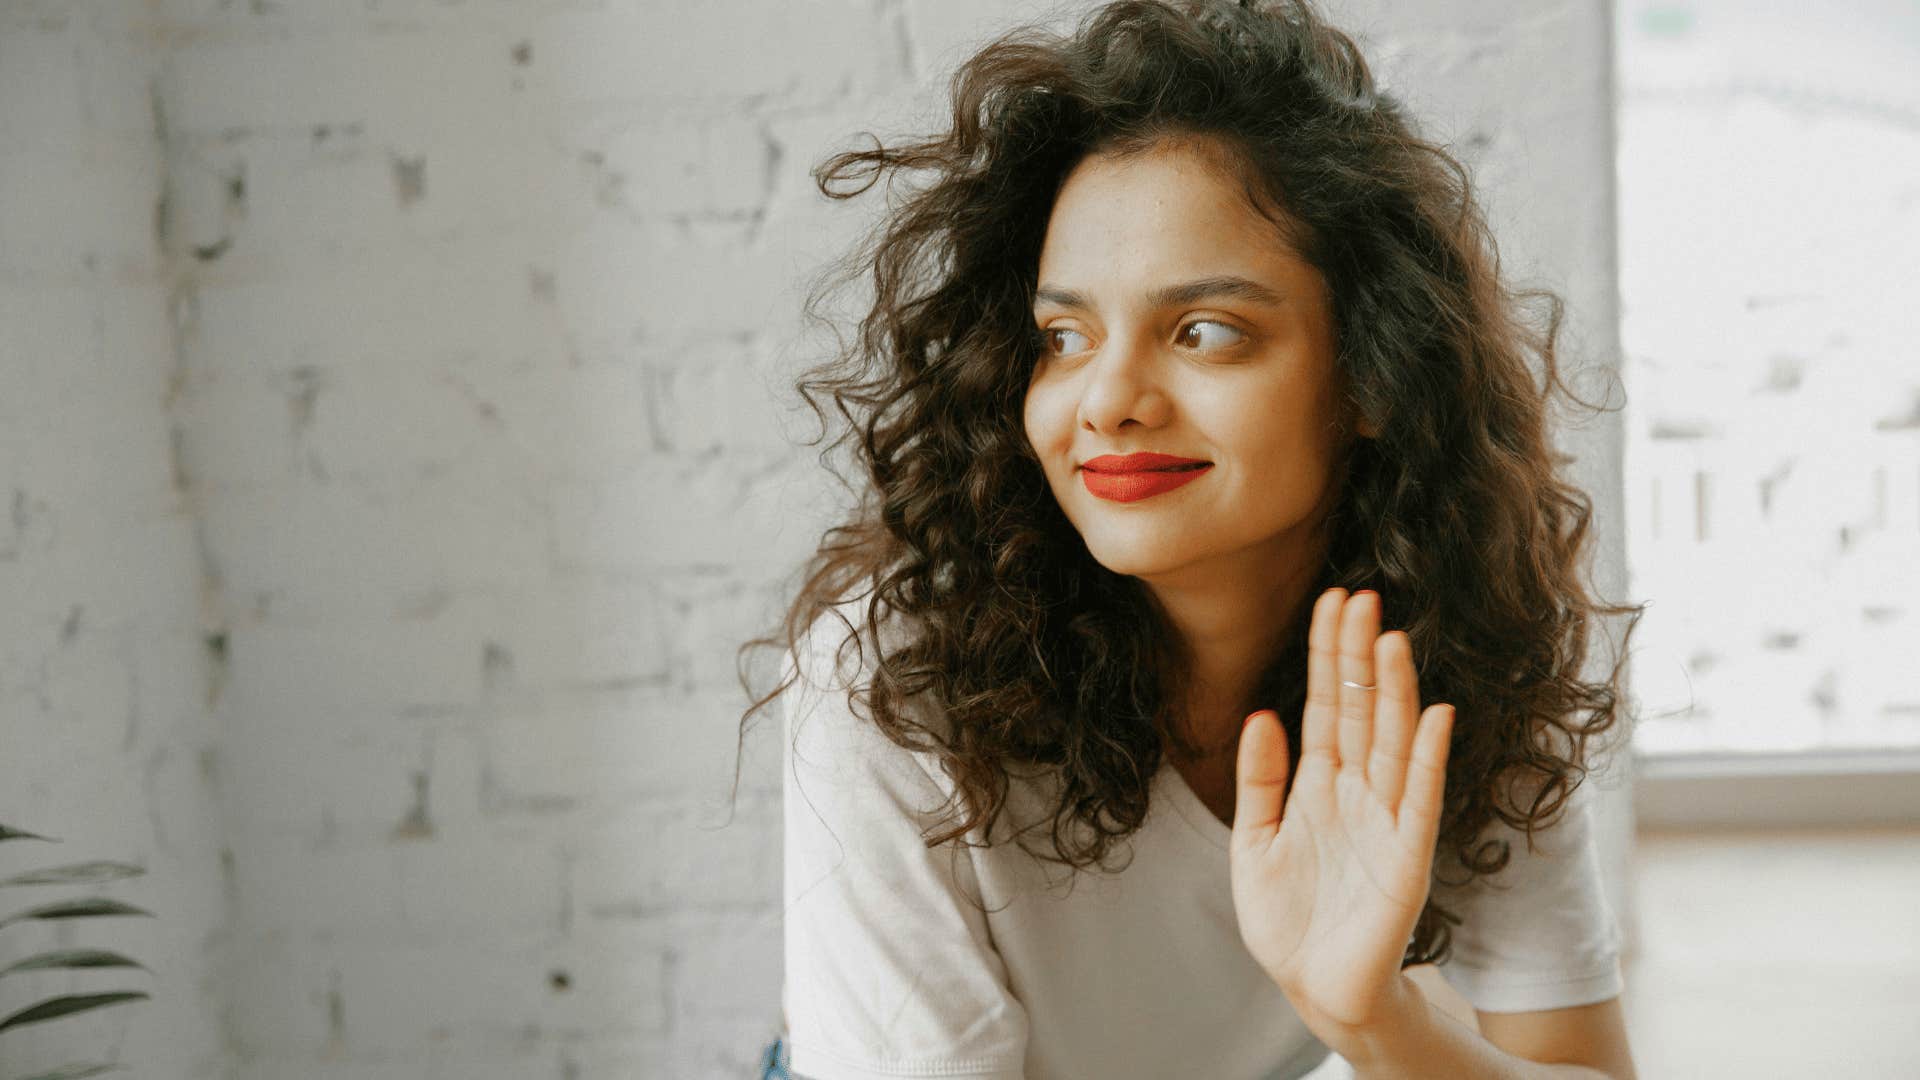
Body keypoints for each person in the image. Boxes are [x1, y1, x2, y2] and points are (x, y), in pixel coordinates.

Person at [735, 1, 1648, 1076]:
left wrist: (1373, 1019)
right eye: (1063, 336)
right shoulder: (888, 678)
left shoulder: (1458, 647)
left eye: (1204, 332)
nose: (1107, 400)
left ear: (1372, 374)